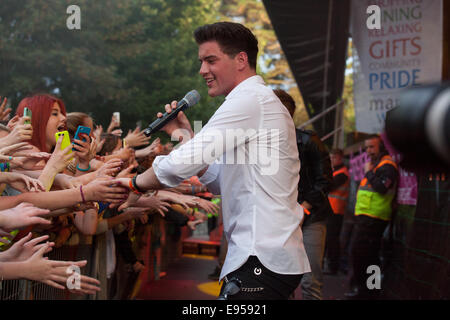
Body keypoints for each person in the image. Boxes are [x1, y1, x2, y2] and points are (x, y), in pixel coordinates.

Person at [117, 22, 310, 300]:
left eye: (211, 60)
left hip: (262, 255)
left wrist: (134, 183)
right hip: (264, 255)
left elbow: (180, 165)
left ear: (241, 59)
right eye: (201, 61)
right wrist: (183, 135)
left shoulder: (248, 100)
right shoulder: (256, 101)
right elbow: (221, 179)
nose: (202, 70)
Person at [273, 89, 333, 300]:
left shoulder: (309, 141)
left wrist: (303, 209)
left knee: (310, 281)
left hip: (311, 218)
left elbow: (325, 180)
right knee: (280, 282)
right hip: (281, 221)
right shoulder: (265, 144)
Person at [345, 135, 398, 299]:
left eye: (372, 147)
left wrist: (368, 172)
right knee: (367, 256)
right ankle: (369, 290)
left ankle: (366, 291)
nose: (368, 151)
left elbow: (382, 188)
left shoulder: (387, 166)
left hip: (374, 218)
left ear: (381, 147)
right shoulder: (377, 166)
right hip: (366, 217)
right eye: (367, 147)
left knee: (364, 256)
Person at [324, 148, 349, 275]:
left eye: (334, 158)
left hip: (336, 211)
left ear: (340, 158)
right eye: (330, 158)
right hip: (330, 210)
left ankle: (333, 267)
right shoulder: (335, 172)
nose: (331, 160)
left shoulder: (342, 173)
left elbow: (328, 186)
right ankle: (329, 265)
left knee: (332, 239)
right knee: (328, 238)